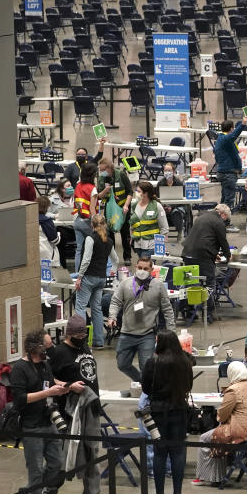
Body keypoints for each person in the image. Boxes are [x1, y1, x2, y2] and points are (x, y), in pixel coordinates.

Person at [46, 314, 108, 494]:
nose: (82, 338)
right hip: (69, 412)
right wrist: (68, 386)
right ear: (69, 334)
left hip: (91, 410)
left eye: (84, 334)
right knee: (65, 457)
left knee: (92, 453)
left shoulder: (84, 347)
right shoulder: (59, 353)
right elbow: (48, 378)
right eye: (79, 334)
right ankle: (48, 493)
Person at [12, 329, 69, 494]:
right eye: (45, 347)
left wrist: (65, 387)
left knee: (56, 464)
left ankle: (31, 492)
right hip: (32, 426)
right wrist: (47, 393)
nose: (48, 350)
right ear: (34, 348)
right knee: (35, 469)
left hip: (48, 421)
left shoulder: (45, 365)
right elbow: (20, 399)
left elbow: (50, 383)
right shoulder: (19, 368)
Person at [140, 330, 193, 494]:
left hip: (157, 413)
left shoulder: (152, 362)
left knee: (159, 453)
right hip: (179, 410)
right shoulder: (184, 362)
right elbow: (189, 385)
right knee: (178, 453)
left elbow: (146, 388)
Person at [193, 360, 247, 487]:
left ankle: (208, 477)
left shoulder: (233, 390)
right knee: (216, 434)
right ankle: (215, 476)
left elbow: (221, 416)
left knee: (204, 438)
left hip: (239, 432)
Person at [106, 255, 176, 381]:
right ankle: (142, 382)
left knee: (147, 368)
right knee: (122, 364)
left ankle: (147, 392)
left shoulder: (158, 286)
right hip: (127, 333)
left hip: (147, 335)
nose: (142, 271)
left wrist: (172, 332)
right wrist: (112, 317)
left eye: (145, 268)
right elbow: (115, 302)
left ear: (151, 270)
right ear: (135, 267)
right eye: (140, 267)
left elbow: (167, 309)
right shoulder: (125, 283)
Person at [74, 214, 119, 349]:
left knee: (80, 307)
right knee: (96, 309)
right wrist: (113, 272)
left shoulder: (90, 238)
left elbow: (86, 260)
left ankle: (80, 341)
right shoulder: (109, 240)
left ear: (91, 225)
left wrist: (80, 277)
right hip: (101, 279)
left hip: (89, 277)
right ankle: (98, 341)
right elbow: (116, 260)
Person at [97, 157, 134, 261]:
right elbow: (98, 196)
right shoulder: (101, 179)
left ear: (110, 168)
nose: (102, 172)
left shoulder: (121, 175)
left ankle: (127, 257)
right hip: (109, 211)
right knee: (109, 234)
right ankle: (112, 258)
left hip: (123, 209)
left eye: (103, 170)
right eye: (100, 170)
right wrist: (105, 191)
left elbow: (130, 192)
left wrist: (126, 205)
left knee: (125, 232)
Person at [213, 116, 247, 208]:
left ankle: (222, 221)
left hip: (226, 173)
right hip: (228, 174)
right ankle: (225, 222)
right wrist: (243, 124)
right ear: (231, 128)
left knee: (224, 199)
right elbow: (234, 135)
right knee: (228, 201)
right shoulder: (225, 139)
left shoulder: (221, 139)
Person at [125, 180, 168, 259]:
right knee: (143, 266)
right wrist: (131, 237)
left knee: (146, 266)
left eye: (138, 191)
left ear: (146, 193)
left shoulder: (157, 206)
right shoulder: (134, 205)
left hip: (151, 244)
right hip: (138, 244)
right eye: (136, 191)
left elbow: (164, 227)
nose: (136, 193)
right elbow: (132, 224)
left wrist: (160, 244)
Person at [72, 162, 99, 271]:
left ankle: (77, 272)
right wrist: (97, 224)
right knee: (98, 246)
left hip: (78, 220)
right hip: (89, 222)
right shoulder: (92, 188)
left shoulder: (78, 185)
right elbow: (92, 209)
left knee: (79, 250)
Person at [38, 196, 61, 267]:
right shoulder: (46, 221)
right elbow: (55, 240)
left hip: (33, 252)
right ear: (47, 207)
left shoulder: (29, 219)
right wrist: (59, 235)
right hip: (47, 252)